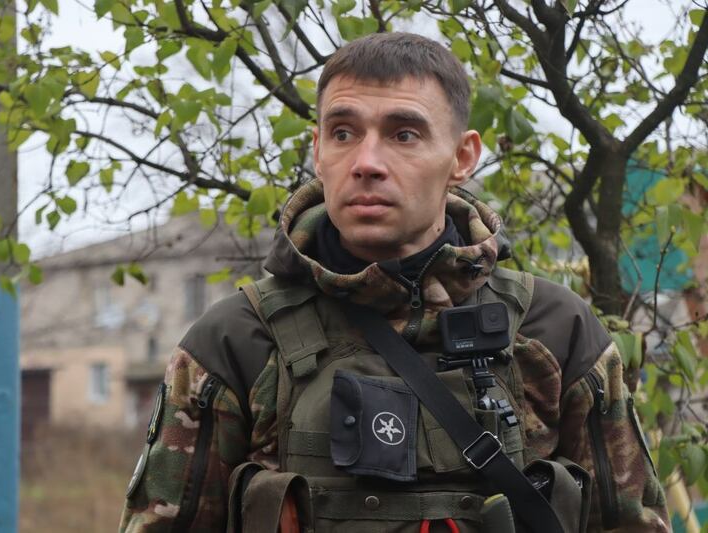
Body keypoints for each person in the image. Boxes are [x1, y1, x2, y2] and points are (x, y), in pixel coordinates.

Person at [119, 32, 670, 532]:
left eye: (403, 134)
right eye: (343, 133)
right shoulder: (234, 340)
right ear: (317, 151)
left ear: (462, 156)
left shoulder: (555, 330)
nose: (367, 162)